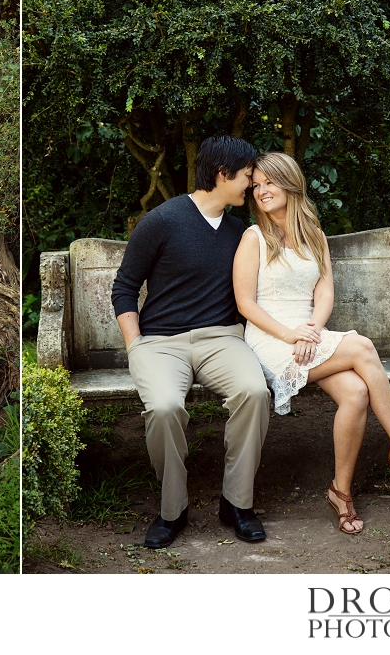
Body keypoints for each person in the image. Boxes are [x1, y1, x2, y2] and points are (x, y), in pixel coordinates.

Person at [233, 151, 390, 535]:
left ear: (290, 183)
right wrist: (290, 333)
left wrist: (312, 327)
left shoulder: (313, 233)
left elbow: (325, 288)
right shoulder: (254, 238)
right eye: (256, 185)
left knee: (357, 393)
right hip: (270, 338)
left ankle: (339, 491)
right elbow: (245, 303)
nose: (261, 191)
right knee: (361, 347)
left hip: (309, 333)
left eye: (269, 183)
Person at [111, 134, 271, 548]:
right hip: (161, 342)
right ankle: (173, 509)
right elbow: (125, 288)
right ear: (222, 174)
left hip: (221, 338)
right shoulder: (162, 221)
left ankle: (237, 504)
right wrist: (136, 346)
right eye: (248, 178)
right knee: (164, 408)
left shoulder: (241, 231)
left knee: (254, 392)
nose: (252, 186)